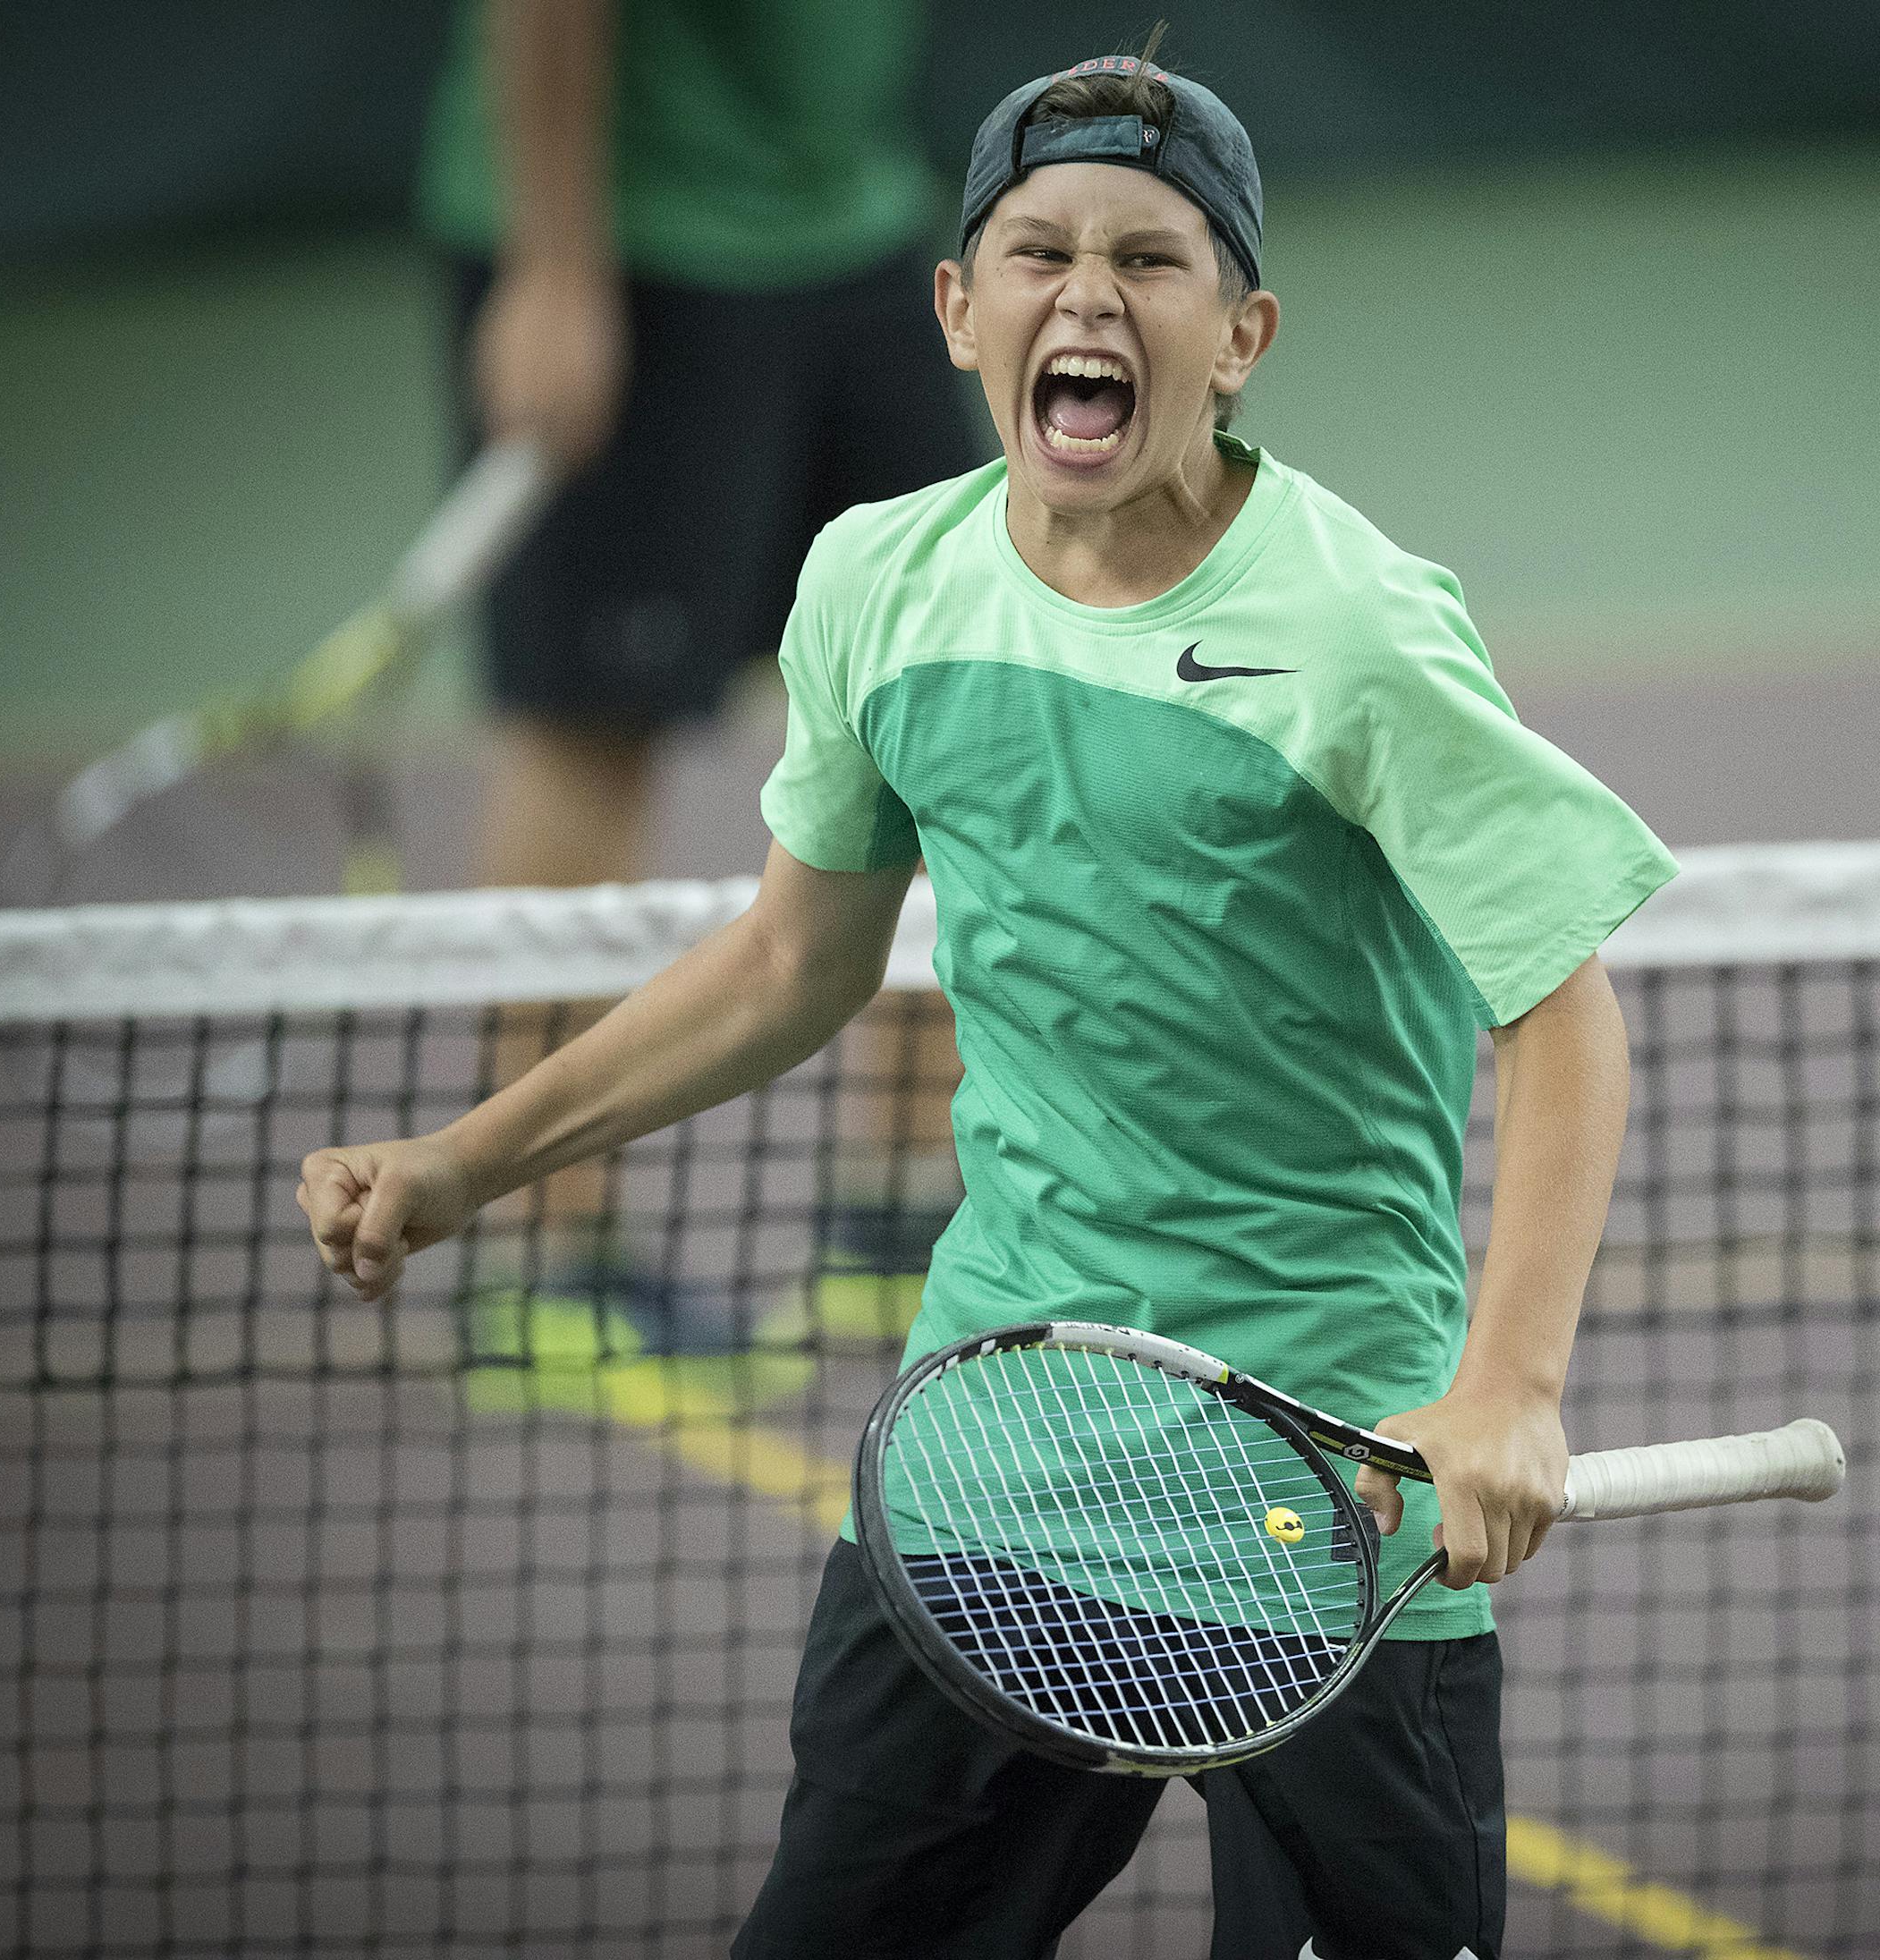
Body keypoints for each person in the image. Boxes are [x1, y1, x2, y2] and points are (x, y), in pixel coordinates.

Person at [306, 35, 1677, 1958]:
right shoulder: (880, 582)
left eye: (1151, 260)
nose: (1087, 296)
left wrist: (1509, 1388)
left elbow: (1562, 1007)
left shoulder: (1354, 632)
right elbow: (790, 963)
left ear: (1244, 333)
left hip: (1330, 1504)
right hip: (992, 1471)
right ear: (958, 310)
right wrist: (471, 1165)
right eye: (1036, 253)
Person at [419, 0, 974, 1348]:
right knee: (591, 731)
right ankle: (541, 1269)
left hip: (848, 222)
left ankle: (903, 1220)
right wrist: (555, 265)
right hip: (633, 240)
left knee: (945, 690)